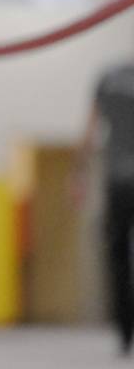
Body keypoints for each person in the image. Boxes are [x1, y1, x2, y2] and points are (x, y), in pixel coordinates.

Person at [74, 61, 134, 352]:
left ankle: (125, 331)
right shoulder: (108, 77)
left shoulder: (108, 78)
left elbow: (90, 130)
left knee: (118, 254)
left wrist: (78, 174)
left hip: (117, 180)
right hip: (120, 177)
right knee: (118, 252)